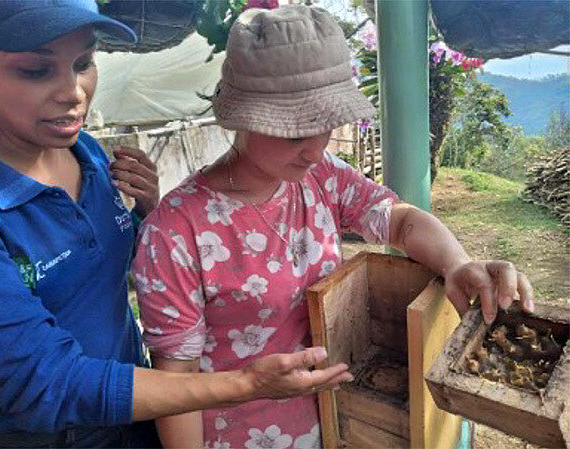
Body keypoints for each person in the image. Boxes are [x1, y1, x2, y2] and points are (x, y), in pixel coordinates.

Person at [132, 5, 535, 449]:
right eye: (294, 132)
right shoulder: (174, 233)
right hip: (240, 436)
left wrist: (456, 263)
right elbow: (176, 384)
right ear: (241, 116)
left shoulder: (321, 177)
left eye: (326, 126)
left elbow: (399, 222)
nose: (314, 148)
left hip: (338, 419)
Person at [0, 1, 354, 448]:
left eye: (84, 63)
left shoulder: (86, 153)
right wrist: (245, 385)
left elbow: (97, 266)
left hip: (139, 409)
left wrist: (147, 213)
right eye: (36, 71)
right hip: (46, 435)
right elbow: (43, 381)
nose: (73, 91)